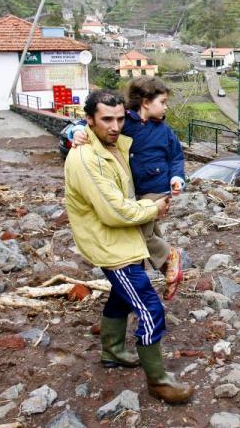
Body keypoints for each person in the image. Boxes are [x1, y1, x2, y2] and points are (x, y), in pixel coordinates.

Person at [64, 90, 193, 404]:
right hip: (113, 247)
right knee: (150, 309)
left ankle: (113, 352)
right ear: (90, 120)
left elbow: (154, 139)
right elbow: (115, 211)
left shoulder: (114, 144)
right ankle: (159, 382)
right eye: (106, 119)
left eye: (120, 118)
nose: (115, 125)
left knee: (122, 298)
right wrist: (153, 210)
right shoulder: (86, 158)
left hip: (125, 241)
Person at [71, 77, 185, 300]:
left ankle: (170, 259)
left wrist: (177, 178)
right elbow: (90, 126)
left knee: (140, 233)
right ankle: (167, 271)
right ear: (145, 102)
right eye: (162, 102)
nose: (165, 107)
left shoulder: (164, 131)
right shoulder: (126, 124)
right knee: (148, 231)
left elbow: (176, 157)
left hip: (156, 188)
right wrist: (74, 132)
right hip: (132, 190)